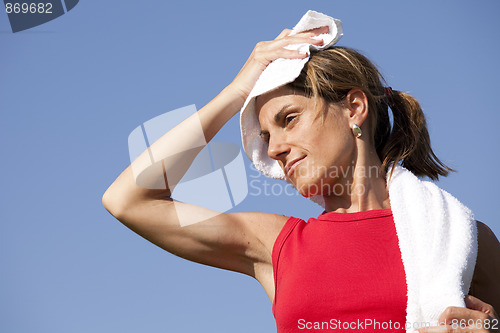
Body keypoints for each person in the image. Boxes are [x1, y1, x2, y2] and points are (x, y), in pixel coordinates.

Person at [102, 20, 500, 333]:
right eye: (266, 137)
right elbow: (127, 200)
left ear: (354, 107)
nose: (274, 148)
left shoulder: (461, 237)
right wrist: (236, 91)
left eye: (288, 120)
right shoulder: (274, 245)